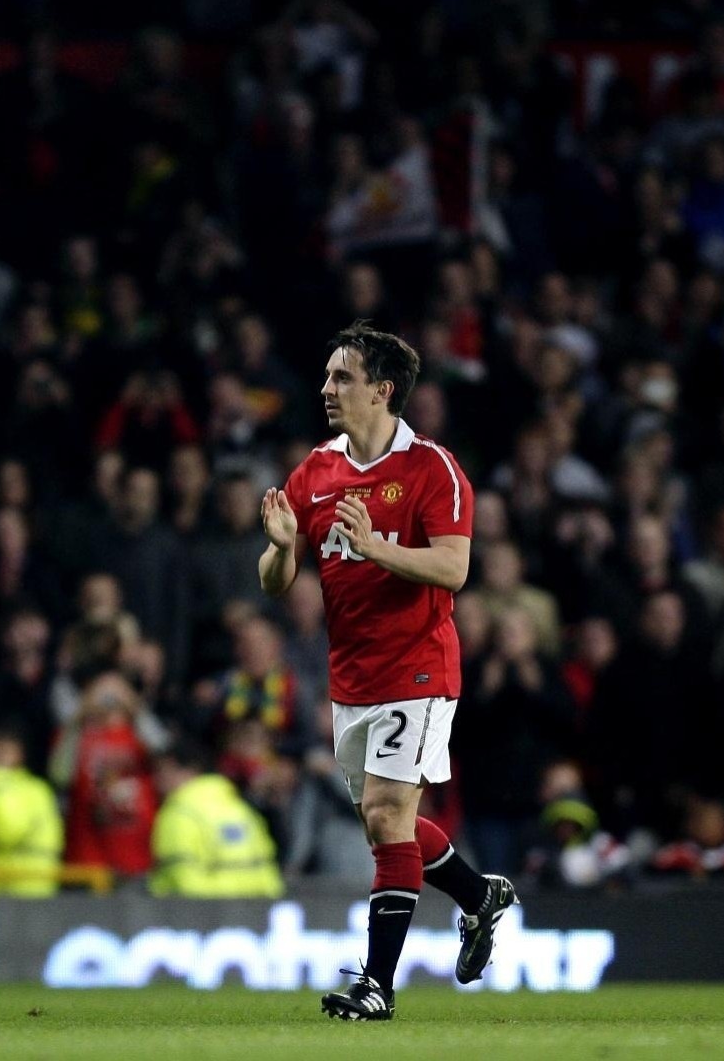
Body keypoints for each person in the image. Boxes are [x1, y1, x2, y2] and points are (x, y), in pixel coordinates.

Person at [259, 323, 513, 1021]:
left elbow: (454, 568)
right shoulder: (316, 472)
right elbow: (275, 582)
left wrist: (376, 549)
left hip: (420, 667)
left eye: (342, 377)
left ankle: (377, 985)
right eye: (327, 376)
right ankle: (478, 896)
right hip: (352, 679)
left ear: (382, 390)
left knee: (385, 813)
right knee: (387, 828)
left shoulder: (433, 469)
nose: (326, 388)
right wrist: (280, 549)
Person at [148, 739, 284, 897]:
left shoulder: (179, 813)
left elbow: (185, 883)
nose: (157, 779)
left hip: (201, 910)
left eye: (162, 770)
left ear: (186, 770)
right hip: (258, 906)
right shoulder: (241, 809)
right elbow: (271, 878)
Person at [0, 727, 64, 897]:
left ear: (21, 753)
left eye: (7, 749)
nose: (2, 755)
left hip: (25, 884)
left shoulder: (36, 789)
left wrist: (0, 778)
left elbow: (7, 832)